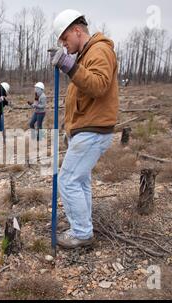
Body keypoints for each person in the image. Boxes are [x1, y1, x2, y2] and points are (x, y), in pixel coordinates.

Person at [51, 10, 119, 249]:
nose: (63, 44)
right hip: (86, 129)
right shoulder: (86, 54)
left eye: (64, 38)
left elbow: (99, 86)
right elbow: (81, 95)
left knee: (67, 181)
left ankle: (81, 233)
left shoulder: (99, 50)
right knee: (80, 182)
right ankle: (83, 226)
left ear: (77, 31)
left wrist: (69, 66)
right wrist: (69, 124)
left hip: (94, 130)